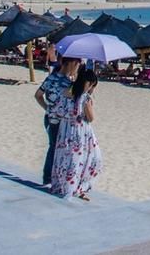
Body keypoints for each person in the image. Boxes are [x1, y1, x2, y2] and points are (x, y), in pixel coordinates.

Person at [50, 66, 102, 200]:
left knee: (64, 158)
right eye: (92, 85)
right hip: (80, 131)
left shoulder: (65, 92)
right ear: (89, 83)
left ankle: (62, 186)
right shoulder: (85, 98)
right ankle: (75, 188)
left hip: (65, 129)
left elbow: (57, 110)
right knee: (87, 159)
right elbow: (91, 118)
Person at [34, 56, 81, 187]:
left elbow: (38, 95)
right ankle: (50, 178)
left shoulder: (51, 77)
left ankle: (49, 177)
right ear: (72, 63)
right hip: (60, 120)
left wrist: (48, 108)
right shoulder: (68, 83)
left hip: (49, 117)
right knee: (56, 148)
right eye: (77, 65)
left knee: (53, 146)